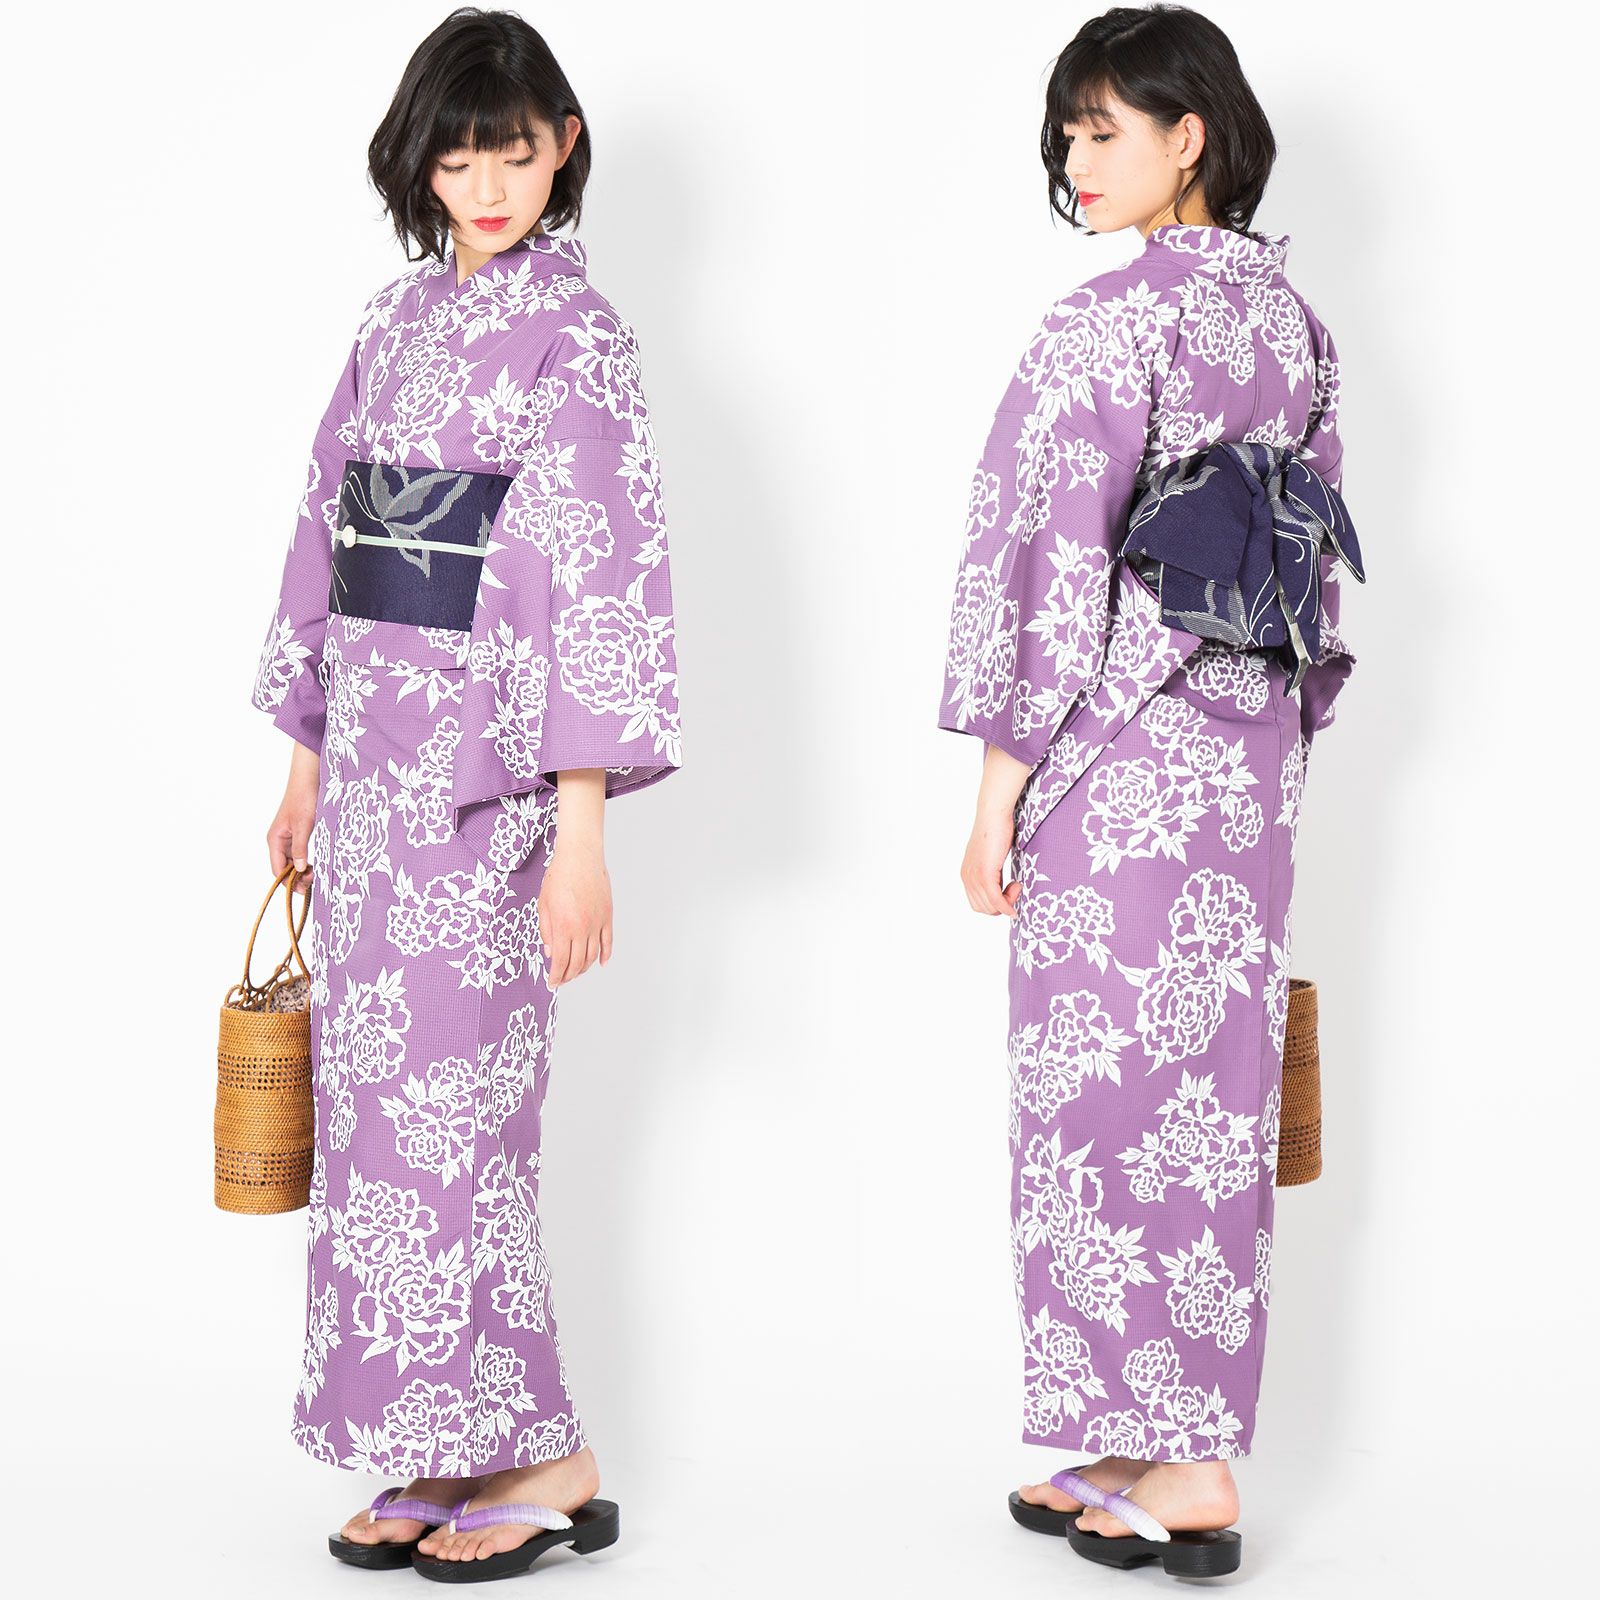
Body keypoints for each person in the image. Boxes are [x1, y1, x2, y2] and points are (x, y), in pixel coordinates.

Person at [250, 7, 682, 1581]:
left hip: (488, 789)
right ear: (417, 164)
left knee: (468, 1120)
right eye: (456, 156)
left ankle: (544, 1451)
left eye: (512, 150)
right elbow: (328, 531)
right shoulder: (392, 321)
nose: (486, 186)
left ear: (562, 145)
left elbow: (594, 576)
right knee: (379, 1123)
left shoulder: (582, 338)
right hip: (374, 775)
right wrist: (304, 759)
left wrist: (582, 836)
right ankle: (434, 1450)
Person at [938, 4, 1357, 1578]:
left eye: (1105, 128)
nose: (1077, 158)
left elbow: (1041, 561)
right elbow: (1313, 559)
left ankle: (1190, 1469)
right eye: (1069, 132)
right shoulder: (1296, 324)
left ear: (1192, 138)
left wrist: (996, 795)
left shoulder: (1106, 325)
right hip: (1243, 759)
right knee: (1203, 1094)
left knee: (1101, 1096)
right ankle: (1145, 1438)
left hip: (1114, 758)